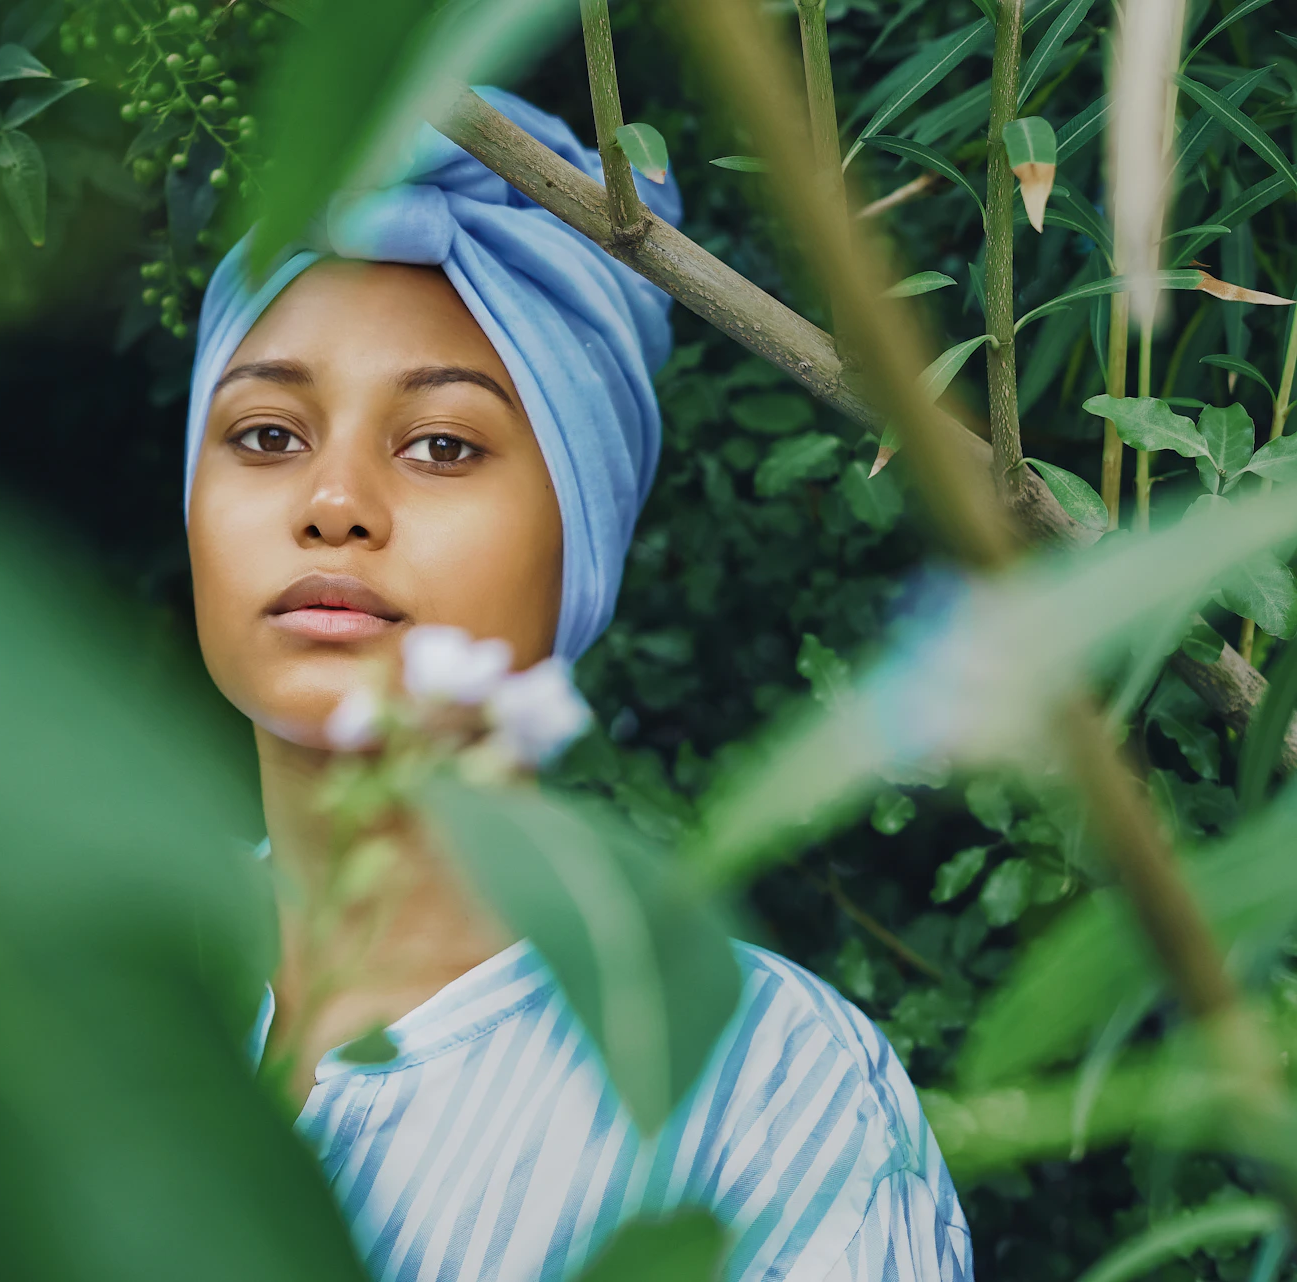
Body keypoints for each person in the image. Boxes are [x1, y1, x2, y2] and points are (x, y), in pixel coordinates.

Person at [182, 88, 972, 1282]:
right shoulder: (55, 999)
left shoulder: (761, 1086)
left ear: (582, 540)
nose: (332, 503)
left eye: (443, 443)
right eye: (266, 435)